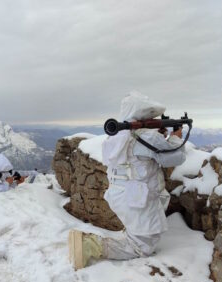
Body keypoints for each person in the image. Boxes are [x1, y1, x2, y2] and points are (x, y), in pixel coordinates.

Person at [68, 91, 187, 270]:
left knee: (137, 232)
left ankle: (115, 239)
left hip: (121, 193)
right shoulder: (146, 137)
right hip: (136, 198)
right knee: (142, 247)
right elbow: (175, 157)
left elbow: (138, 155)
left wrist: (158, 135)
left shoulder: (120, 135)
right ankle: (89, 245)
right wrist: (176, 135)